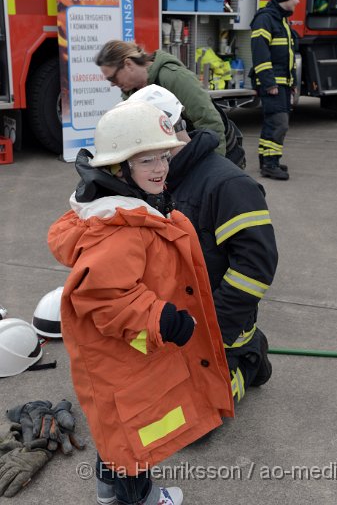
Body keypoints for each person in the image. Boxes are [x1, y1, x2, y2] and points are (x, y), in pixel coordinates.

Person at [47, 101, 234, 505]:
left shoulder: (129, 208)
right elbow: (100, 294)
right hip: (128, 354)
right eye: (146, 159)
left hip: (123, 356)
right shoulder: (122, 230)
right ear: (119, 168)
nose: (160, 167)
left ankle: (105, 490)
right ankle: (140, 499)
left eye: (164, 156)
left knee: (116, 431)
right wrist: (160, 317)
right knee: (135, 446)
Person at [128, 85, 278, 404]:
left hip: (220, 329)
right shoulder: (157, 180)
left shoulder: (228, 185)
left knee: (193, 410)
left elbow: (255, 269)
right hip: (175, 320)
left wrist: (213, 331)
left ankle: (248, 361)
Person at [94, 39, 227, 156]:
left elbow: (210, 122)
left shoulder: (174, 77)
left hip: (203, 158)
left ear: (128, 64)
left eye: (113, 77)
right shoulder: (130, 92)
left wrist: (214, 170)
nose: (111, 84)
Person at [250, 0, 300, 180]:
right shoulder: (265, 19)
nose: (298, 1)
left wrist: (293, 81)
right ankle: (270, 164)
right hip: (274, 84)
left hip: (283, 83)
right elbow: (260, 54)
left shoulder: (281, 20)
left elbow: (287, 55)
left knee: (273, 123)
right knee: (279, 124)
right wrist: (269, 83)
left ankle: (268, 160)